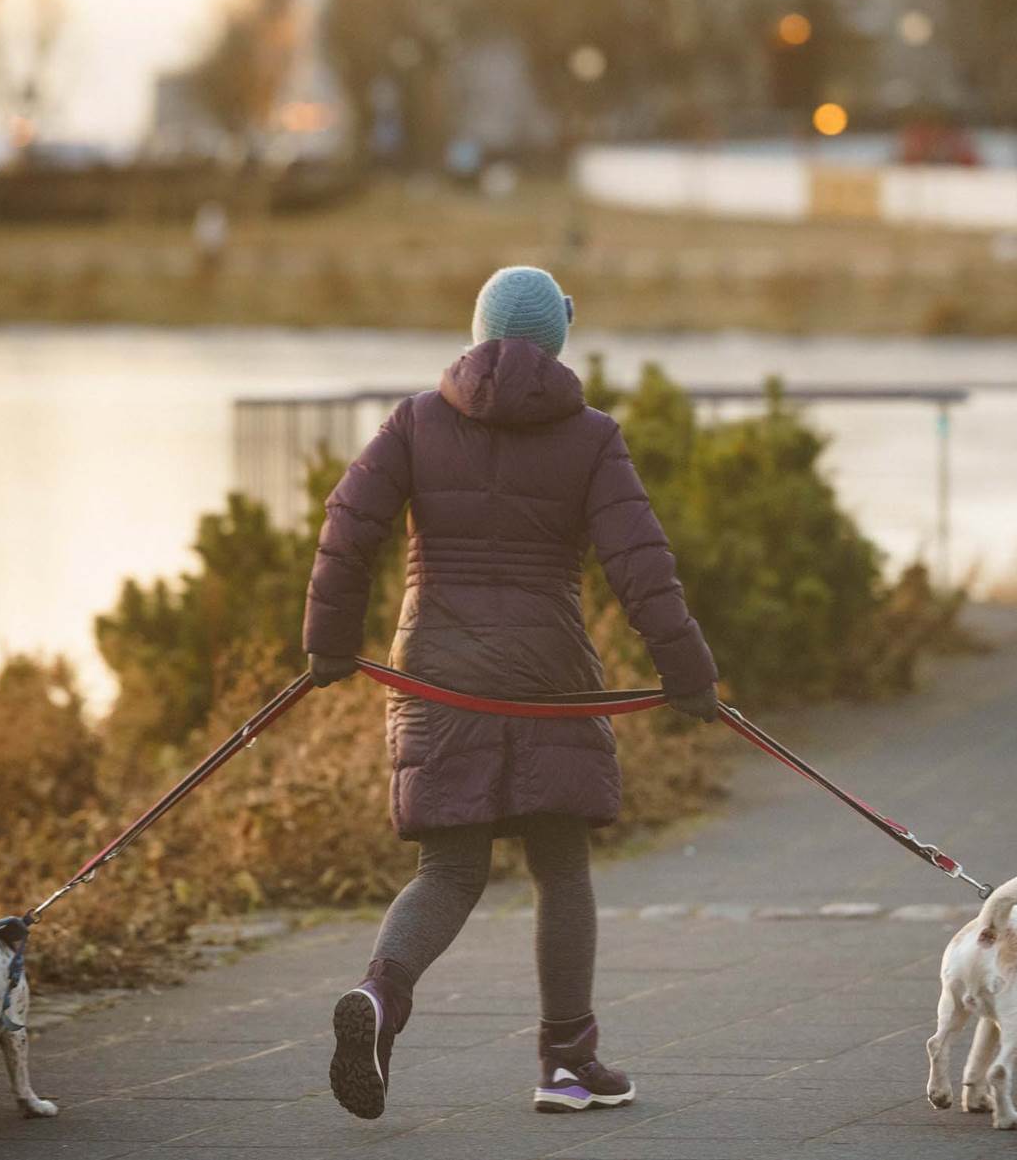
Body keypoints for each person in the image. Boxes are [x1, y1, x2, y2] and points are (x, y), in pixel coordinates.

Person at [303, 265, 720, 1120]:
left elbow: (348, 527)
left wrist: (329, 645)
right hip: (548, 678)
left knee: (450, 866)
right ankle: (567, 1065)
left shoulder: (417, 421)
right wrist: (688, 671)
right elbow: (642, 566)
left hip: (434, 674)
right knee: (560, 866)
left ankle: (381, 996)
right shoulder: (592, 434)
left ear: (478, 331)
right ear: (558, 338)